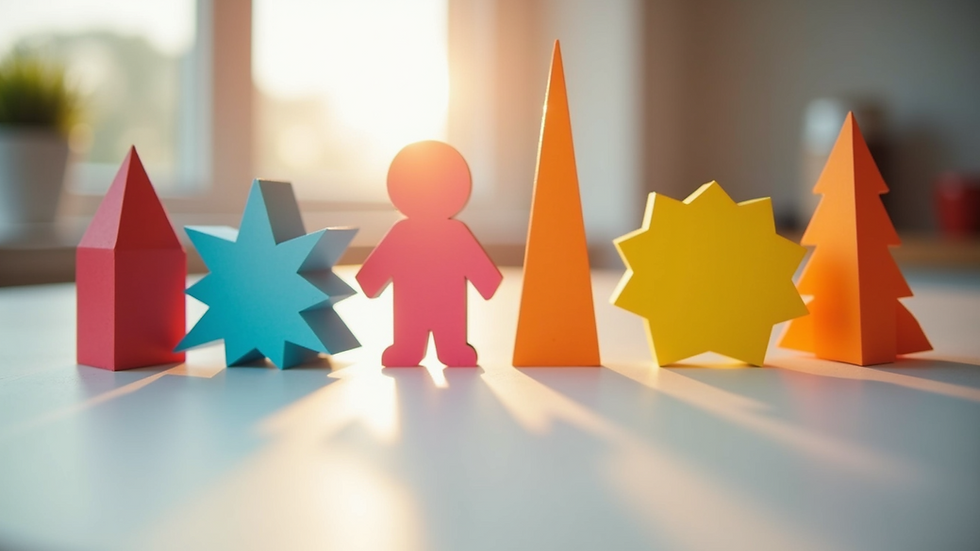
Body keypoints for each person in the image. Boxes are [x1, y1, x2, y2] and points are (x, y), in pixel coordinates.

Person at [356, 141, 502, 367]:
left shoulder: (445, 233)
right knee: (412, 336)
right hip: (419, 305)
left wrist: (370, 283)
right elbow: (487, 278)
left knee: (446, 336)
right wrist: (487, 284)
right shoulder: (407, 232)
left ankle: (446, 349)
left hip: (440, 305)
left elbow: (371, 277)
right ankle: (416, 349)